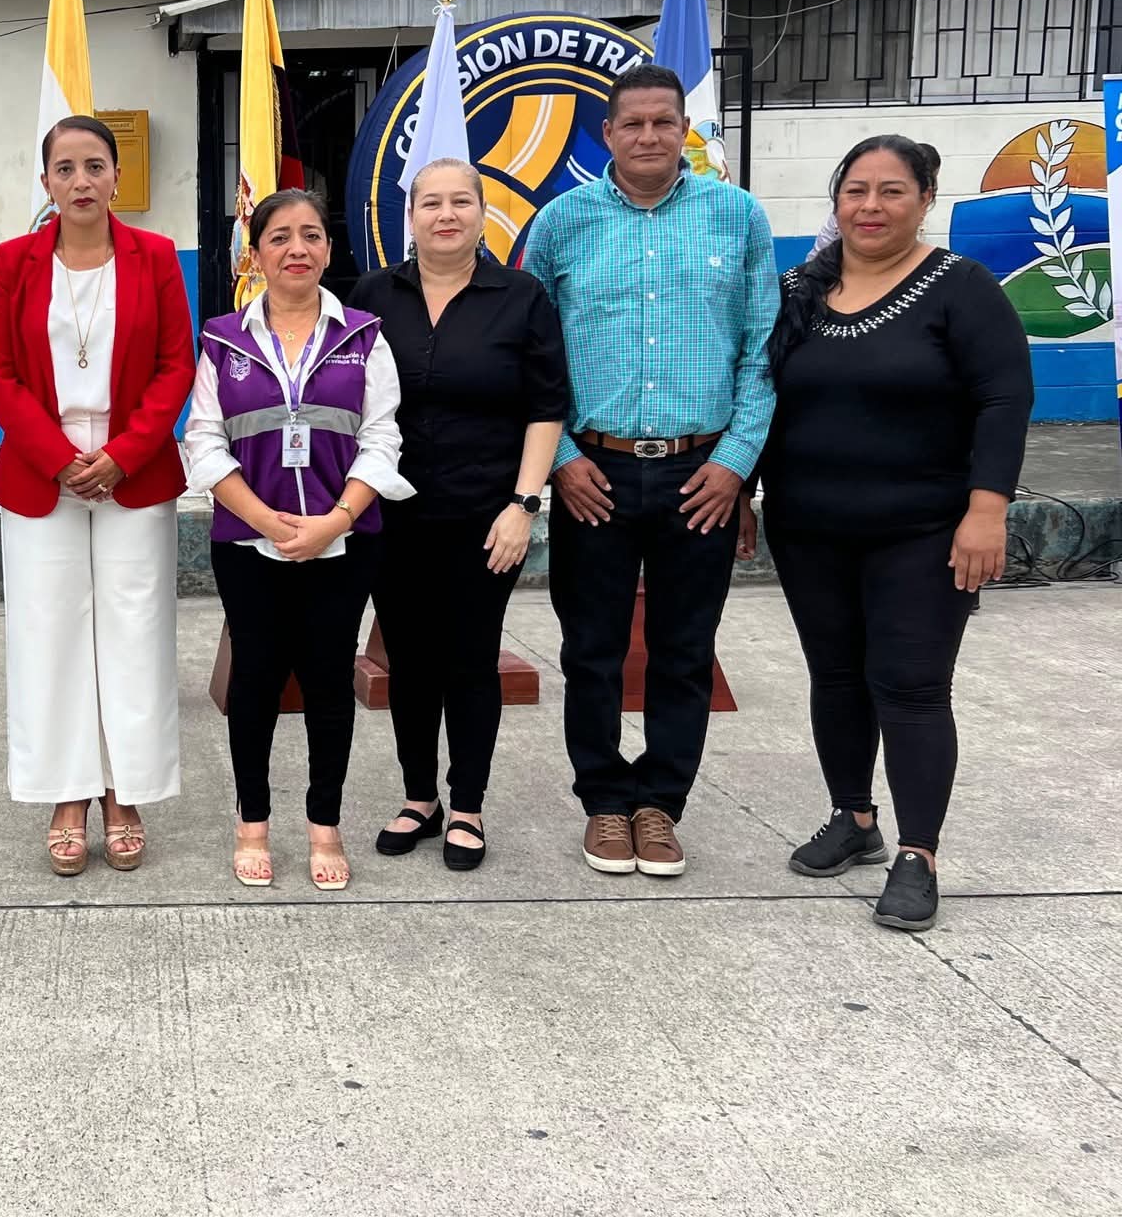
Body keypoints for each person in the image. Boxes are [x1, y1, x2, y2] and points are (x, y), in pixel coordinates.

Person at [754, 135, 1032, 931]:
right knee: (836, 676)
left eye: (892, 192)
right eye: (856, 191)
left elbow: (1004, 400)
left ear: (925, 200)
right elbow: (763, 397)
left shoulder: (962, 288)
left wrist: (987, 509)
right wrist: (744, 489)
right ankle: (854, 818)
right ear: (837, 201)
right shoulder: (798, 290)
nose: (870, 207)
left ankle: (918, 854)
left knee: (910, 686)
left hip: (924, 531)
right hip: (809, 527)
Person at [521, 62, 779, 880]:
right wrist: (562, 460)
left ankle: (661, 804)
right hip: (591, 473)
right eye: (632, 123)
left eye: (664, 122)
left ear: (685, 130)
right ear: (608, 133)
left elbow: (762, 355)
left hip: (702, 476)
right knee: (591, 650)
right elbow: (531, 355)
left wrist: (735, 465)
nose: (648, 136)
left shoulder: (737, 217)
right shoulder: (561, 223)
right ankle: (604, 800)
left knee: (683, 649)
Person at [0, 115, 194, 875]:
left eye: (94, 166)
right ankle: (66, 795)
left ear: (115, 178)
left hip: (134, 470)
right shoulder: (14, 261)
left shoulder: (155, 256)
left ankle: (123, 792)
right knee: (49, 635)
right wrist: (60, 459)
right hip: (44, 473)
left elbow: (175, 365)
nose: (80, 181)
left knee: (135, 633)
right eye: (64, 168)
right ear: (45, 182)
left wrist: (123, 456)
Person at [184, 188, 414, 891]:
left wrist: (334, 522)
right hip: (248, 544)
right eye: (279, 237)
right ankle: (252, 823)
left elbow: (382, 438)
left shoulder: (364, 336)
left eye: (311, 235)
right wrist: (263, 519)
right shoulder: (223, 338)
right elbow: (204, 441)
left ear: (328, 249)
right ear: (255, 254)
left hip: (343, 542)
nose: (297, 249)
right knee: (255, 679)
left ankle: (324, 825)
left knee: (327, 681)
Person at [350, 159, 567, 870]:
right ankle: (420, 798)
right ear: (410, 217)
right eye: (431, 203)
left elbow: (546, 407)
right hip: (393, 513)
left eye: (460, 202)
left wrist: (524, 504)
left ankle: (467, 804)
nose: (446, 215)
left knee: (471, 660)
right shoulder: (373, 295)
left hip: (487, 516)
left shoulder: (521, 296)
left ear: (481, 212)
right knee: (408, 660)